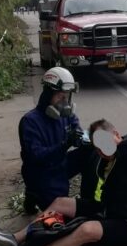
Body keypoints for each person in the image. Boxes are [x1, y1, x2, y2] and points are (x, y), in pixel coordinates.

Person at [18, 67, 88, 214]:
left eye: (67, 97)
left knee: (91, 152)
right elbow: (37, 157)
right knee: (60, 215)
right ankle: (33, 194)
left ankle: (89, 199)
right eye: (60, 97)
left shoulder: (66, 115)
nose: (64, 102)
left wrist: (83, 138)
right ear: (47, 95)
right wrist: (64, 144)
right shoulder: (30, 122)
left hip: (60, 164)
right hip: (41, 173)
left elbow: (79, 130)